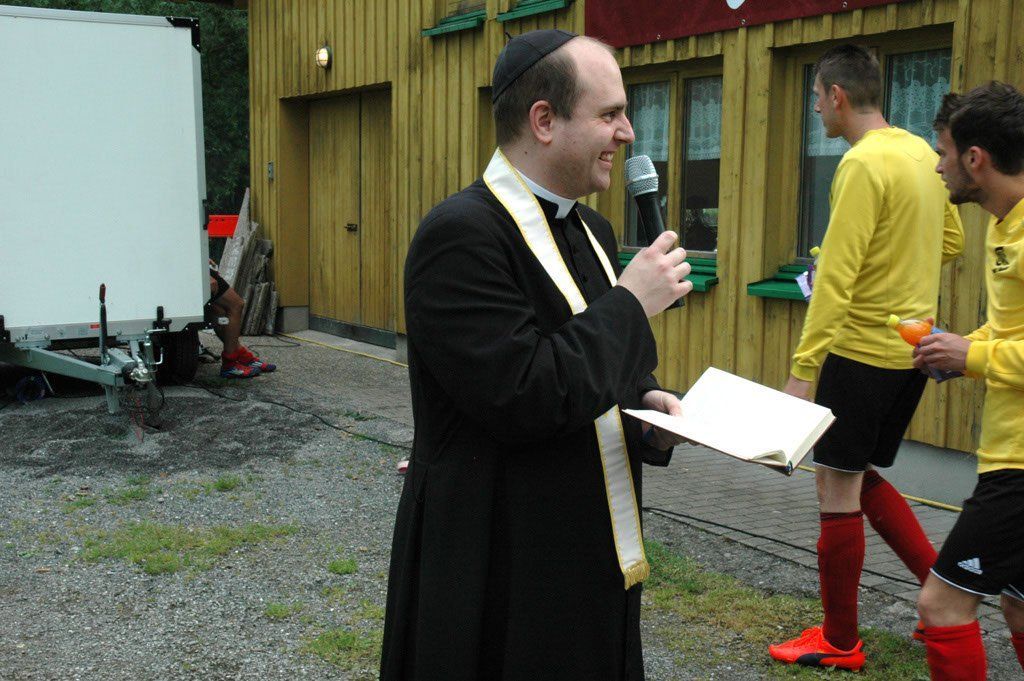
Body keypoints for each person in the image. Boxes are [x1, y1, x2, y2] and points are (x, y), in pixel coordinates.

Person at [380, 30, 692, 681]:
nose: (628, 133)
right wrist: (632, 303)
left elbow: (600, 367)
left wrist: (646, 408)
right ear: (544, 120)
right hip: (499, 560)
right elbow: (525, 394)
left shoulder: (592, 228)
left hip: (587, 551)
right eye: (610, 114)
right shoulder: (460, 235)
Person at [769, 44, 964, 671]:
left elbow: (836, 279)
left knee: (835, 485)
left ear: (838, 96)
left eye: (815, 97)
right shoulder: (922, 154)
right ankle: (943, 598)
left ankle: (839, 639)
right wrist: (896, 255)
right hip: (911, 353)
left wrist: (803, 371)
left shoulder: (860, 163)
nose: (815, 109)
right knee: (857, 474)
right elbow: (952, 240)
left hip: (857, 352)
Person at [913, 82, 1024, 681]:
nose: (938, 166)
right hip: (1008, 452)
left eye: (944, 153)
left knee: (942, 604)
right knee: (1019, 605)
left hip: (1021, 467)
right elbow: (1012, 328)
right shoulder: (1005, 221)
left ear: (975, 158)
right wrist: (958, 349)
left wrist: (973, 357)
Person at [207, 263, 276, 378]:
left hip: (198, 265)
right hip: (193, 267)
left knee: (218, 311)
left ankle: (242, 356)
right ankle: (230, 363)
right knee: (235, 305)